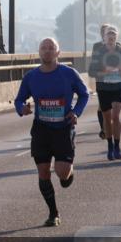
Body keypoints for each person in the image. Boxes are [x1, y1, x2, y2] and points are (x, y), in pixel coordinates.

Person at [14, 38, 90, 227]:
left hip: (63, 127)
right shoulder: (31, 76)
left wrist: (76, 112)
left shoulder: (69, 73)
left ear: (58, 52)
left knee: (62, 174)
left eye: (51, 48)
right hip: (41, 129)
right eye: (43, 48)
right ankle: (53, 213)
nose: (47, 51)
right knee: (43, 172)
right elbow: (18, 100)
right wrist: (22, 108)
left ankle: (68, 173)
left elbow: (84, 94)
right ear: (39, 52)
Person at [89, 26, 121, 160]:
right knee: (107, 118)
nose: (111, 38)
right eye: (108, 36)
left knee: (115, 116)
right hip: (103, 88)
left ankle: (117, 146)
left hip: (119, 87)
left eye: (113, 36)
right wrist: (105, 72)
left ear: (116, 38)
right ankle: (109, 145)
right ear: (103, 38)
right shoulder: (99, 52)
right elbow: (91, 71)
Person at [90, 24, 120, 138]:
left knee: (114, 105)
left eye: (107, 31)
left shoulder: (118, 45)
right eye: (103, 31)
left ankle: (111, 125)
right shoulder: (96, 46)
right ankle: (104, 129)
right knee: (102, 105)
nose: (104, 33)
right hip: (102, 79)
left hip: (116, 79)